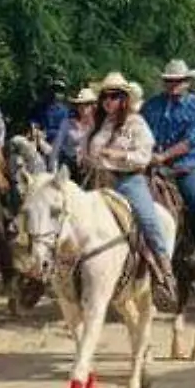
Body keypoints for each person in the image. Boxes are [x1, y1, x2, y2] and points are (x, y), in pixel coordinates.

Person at [81, 73, 176, 310]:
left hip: (128, 180)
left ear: (124, 99)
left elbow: (144, 157)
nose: (107, 101)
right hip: (97, 179)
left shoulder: (136, 123)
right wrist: (86, 156)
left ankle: (164, 272)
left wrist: (118, 155)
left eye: (114, 96)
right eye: (104, 96)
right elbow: (84, 151)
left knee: (148, 218)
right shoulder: (98, 124)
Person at [141, 60, 195, 277]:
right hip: (149, 163)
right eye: (168, 81)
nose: (172, 85)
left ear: (187, 82)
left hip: (186, 165)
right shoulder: (151, 105)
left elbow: (193, 139)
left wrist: (163, 156)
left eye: (177, 81)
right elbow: (140, 129)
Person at [57, 86, 97, 178]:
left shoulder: (98, 125)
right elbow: (61, 145)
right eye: (80, 105)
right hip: (70, 163)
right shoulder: (69, 123)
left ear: (92, 106)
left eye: (87, 105)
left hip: (90, 166)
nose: (83, 108)